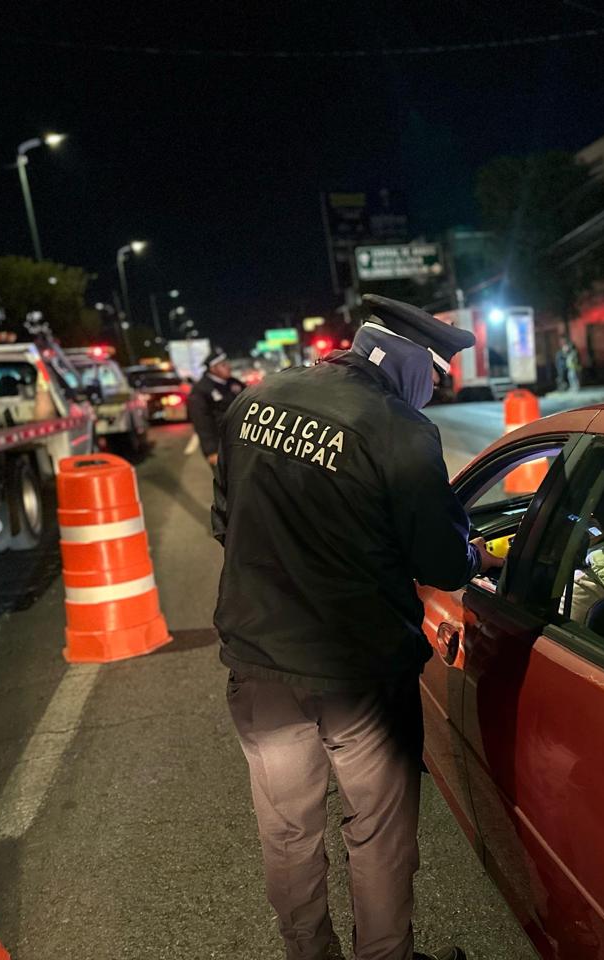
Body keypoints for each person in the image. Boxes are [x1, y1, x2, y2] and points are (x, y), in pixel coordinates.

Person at [212, 294, 501, 960]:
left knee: (288, 833)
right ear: (413, 364)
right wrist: (475, 555)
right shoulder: (398, 430)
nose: (433, 393)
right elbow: (439, 562)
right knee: (378, 831)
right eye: (436, 378)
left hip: (259, 664)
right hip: (360, 674)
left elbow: (228, 523)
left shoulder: (254, 402)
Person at [187, 348, 245, 465]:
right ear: (213, 369)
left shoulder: (234, 383)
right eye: (223, 365)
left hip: (242, 442)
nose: (228, 367)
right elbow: (202, 422)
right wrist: (211, 450)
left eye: (227, 363)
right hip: (222, 446)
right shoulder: (201, 389)